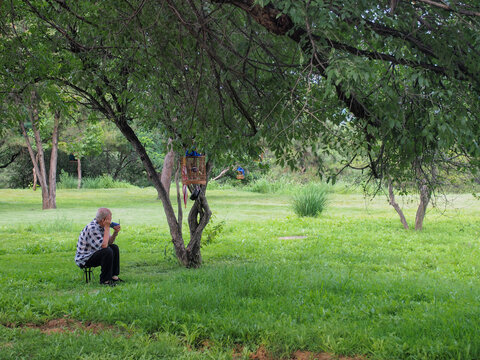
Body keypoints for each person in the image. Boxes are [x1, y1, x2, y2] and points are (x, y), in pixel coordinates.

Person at [75, 207, 123, 286]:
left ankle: (113, 277)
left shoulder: (102, 226)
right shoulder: (93, 228)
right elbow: (104, 246)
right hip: (85, 258)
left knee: (114, 247)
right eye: (109, 218)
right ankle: (105, 281)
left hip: (93, 252)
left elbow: (109, 242)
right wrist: (107, 228)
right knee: (107, 251)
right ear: (104, 219)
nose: (111, 221)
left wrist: (115, 233)